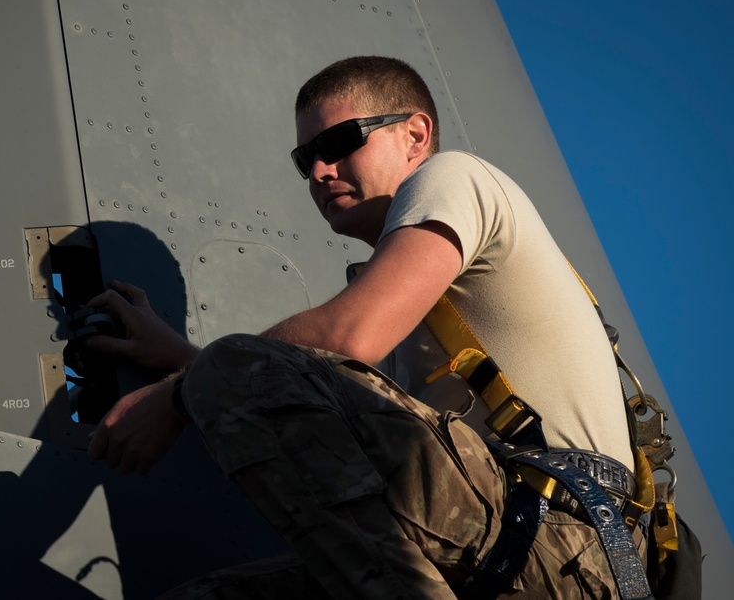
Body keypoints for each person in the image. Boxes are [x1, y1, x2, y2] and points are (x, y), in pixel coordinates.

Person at [84, 56, 645, 598]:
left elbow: (346, 339)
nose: (321, 172)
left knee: (237, 367)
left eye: (339, 143)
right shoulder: (414, 313)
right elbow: (331, 384)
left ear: (415, 135)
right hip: (500, 545)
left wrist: (185, 388)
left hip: (561, 538)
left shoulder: (453, 175)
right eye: (307, 161)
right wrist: (186, 360)